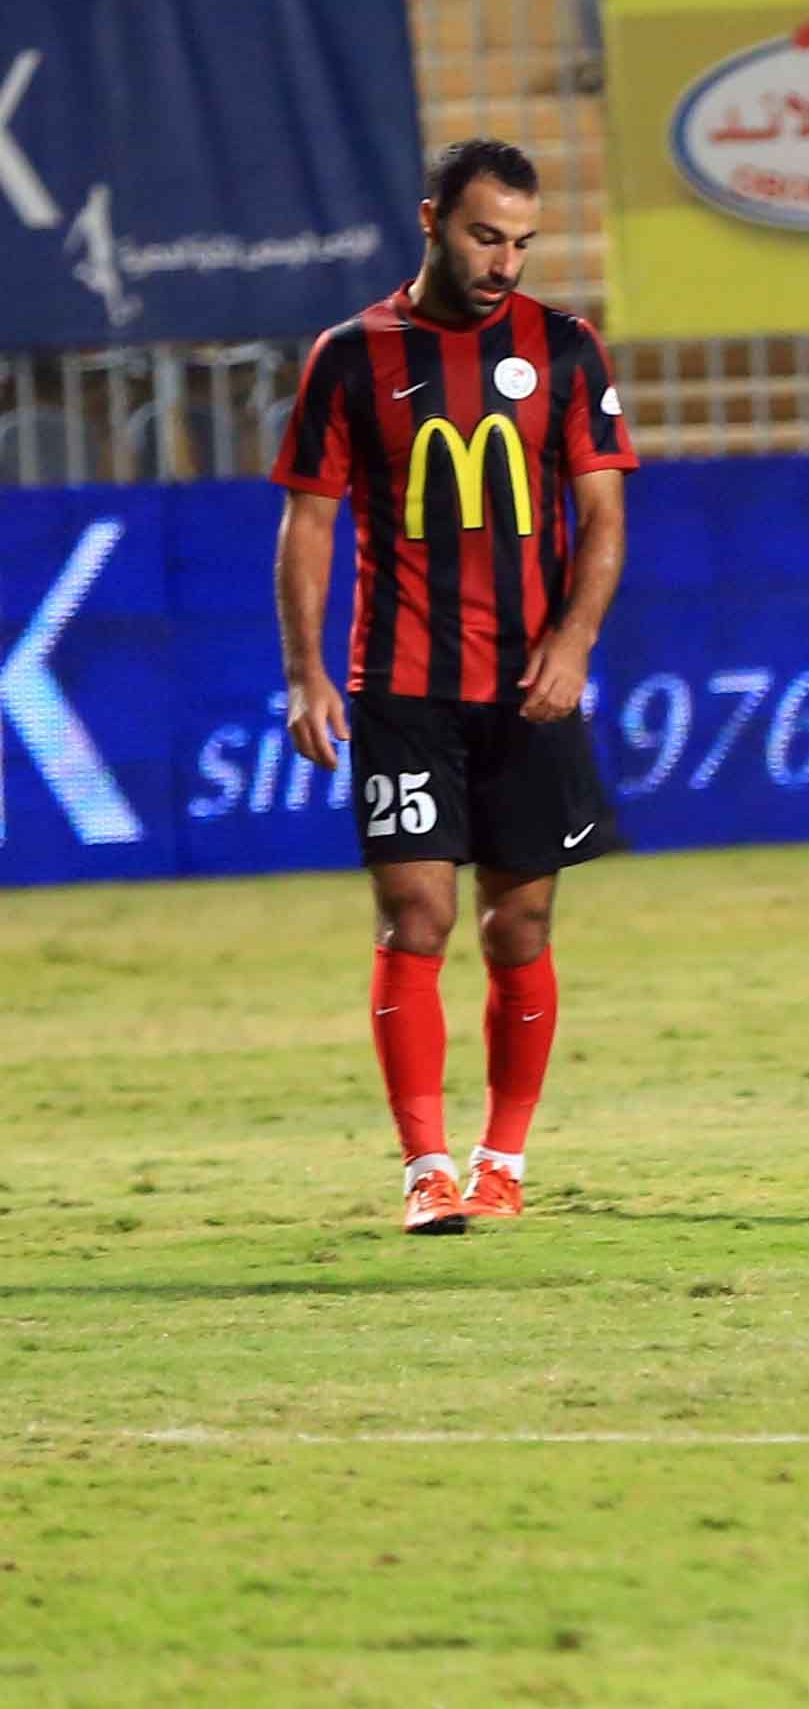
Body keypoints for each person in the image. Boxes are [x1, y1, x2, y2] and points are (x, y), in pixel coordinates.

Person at [270, 137, 636, 1235]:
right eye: (486, 237)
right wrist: (303, 674)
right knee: (415, 912)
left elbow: (606, 518)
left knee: (517, 927)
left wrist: (573, 643)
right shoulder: (349, 355)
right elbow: (309, 522)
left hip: (529, 686)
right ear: (432, 220)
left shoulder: (566, 352)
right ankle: (427, 1168)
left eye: (523, 242)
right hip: (403, 685)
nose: (506, 262)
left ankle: (503, 1158)